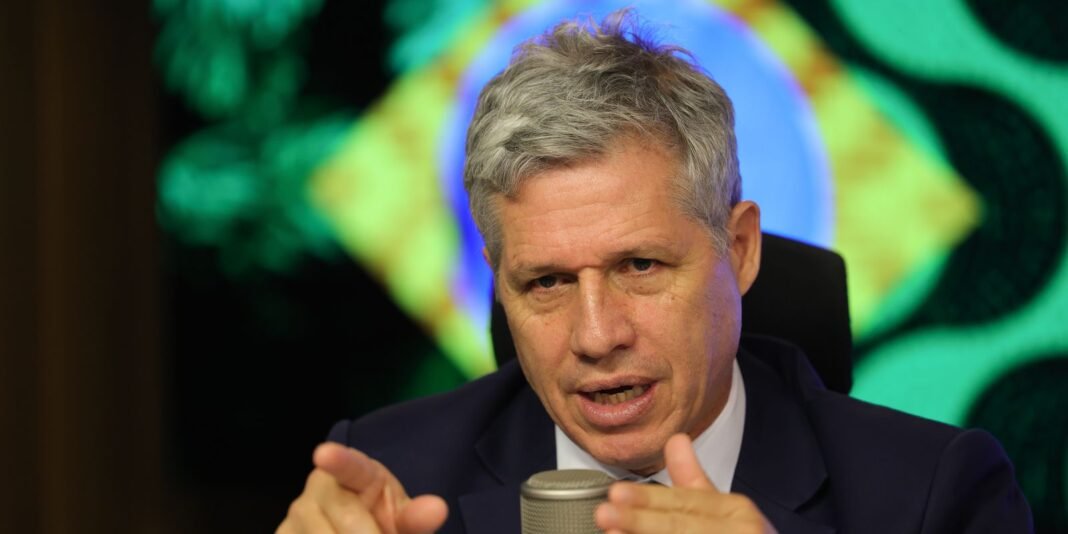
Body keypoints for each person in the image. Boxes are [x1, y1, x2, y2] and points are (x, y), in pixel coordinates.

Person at [278, 10, 1032, 533]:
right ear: (499, 281)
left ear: (740, 249)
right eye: (546, 283)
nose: (596, 336)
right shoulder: (390, 484)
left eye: (639, 265)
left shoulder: (935, 497)